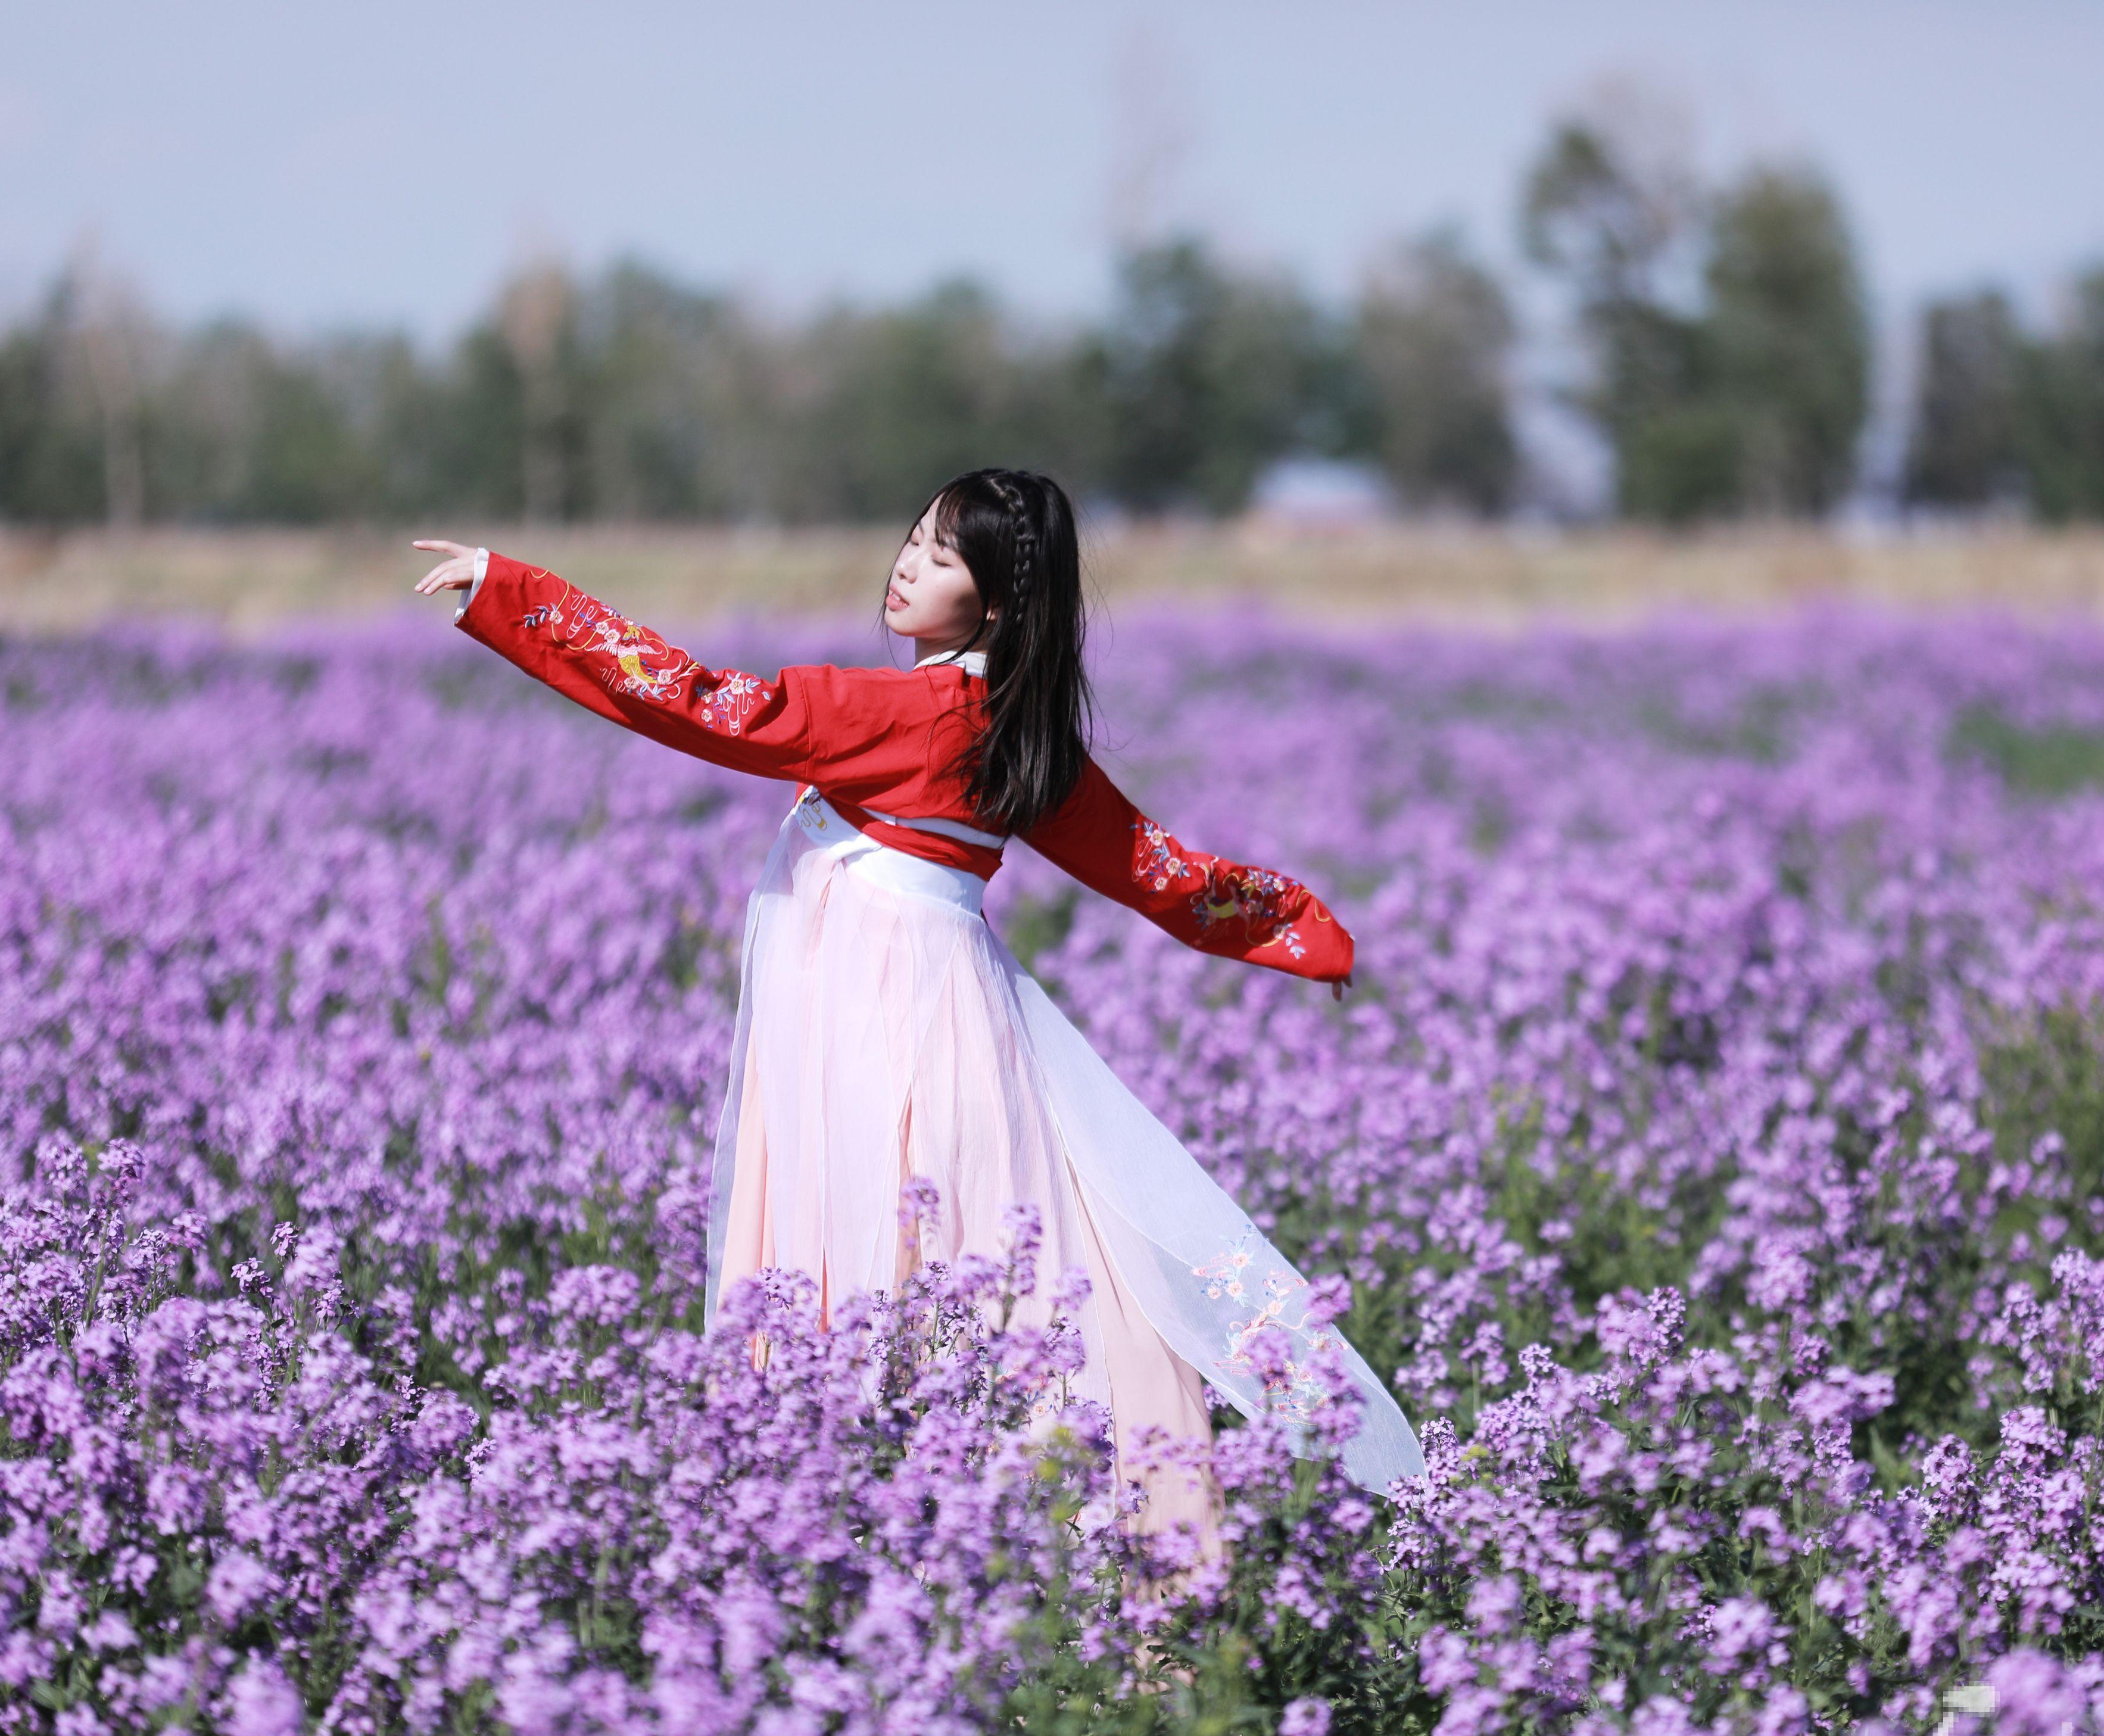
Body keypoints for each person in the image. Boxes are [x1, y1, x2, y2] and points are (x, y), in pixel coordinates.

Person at [412, 469, 1423, 1554]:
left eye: (943, 557)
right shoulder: (1015, 727)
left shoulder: (912, 710)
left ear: (993, 602)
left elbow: (704, 701)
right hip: (951, 1021)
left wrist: (518, 598)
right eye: (916, 539)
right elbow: (1156, 868)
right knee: (1021, 1279)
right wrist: (1298, 928)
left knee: (888, 1279)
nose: (907, 563)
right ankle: (1118, 1548)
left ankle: (849, 1542)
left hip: (873, 1030)